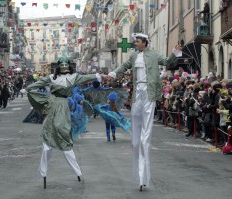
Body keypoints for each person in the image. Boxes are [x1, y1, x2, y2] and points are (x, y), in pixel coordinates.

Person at [104, 33, 183, 191]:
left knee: (145, 137)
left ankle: (144, 171)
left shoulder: (153, 54)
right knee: (135, 135)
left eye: (138, 41)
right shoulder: (133, 55)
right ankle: (137, 147)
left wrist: (175, 53)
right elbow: (124, 65)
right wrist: (113, 73)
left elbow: (167, 62)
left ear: (145, 43)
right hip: (137, 93)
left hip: (149, 91)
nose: (135, 43)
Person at [24, 57, 102, 189]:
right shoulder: (52, 78)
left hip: (62, 108)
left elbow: (86, 77)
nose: (64, 68)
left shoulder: (73, 77)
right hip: (54, 106)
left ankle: (75, 171)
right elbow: (36, 85)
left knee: (62, 135)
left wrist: (96, 75)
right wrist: (30, 90)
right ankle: (46, 172)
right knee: (48, 140)